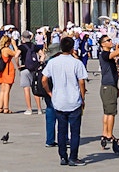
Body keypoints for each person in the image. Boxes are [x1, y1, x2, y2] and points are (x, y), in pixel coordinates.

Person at [42, 36, 88, 167]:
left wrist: (49, 92)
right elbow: (82, 81)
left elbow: (44, 80)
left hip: (59, 101)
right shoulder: (76, 63)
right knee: (74, 132)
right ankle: (73, 157)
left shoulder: (53, 62)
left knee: (61, 131)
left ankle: (63, 156)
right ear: (73, 48)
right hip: (74, 101)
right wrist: (82, 96)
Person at [18, 30, 43, 115]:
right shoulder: (34, 46)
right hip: (34, 69)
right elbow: (42, 55)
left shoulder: (21, 47)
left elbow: (16, 56)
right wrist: (40, 63)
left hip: (25, 69)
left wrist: (18, 65)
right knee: (35, 88)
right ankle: (39, 109)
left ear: (22, 38)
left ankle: (29, 109)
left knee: (26, 89)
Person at [0, 34, 20, 113]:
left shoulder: (1, 49)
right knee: (7, 90)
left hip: (1, 71)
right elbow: (17, 54)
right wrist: (14, 45)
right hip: (7, 70)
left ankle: (0, 107)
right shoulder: (6, 49)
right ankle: (6, 108)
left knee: (2, 90)